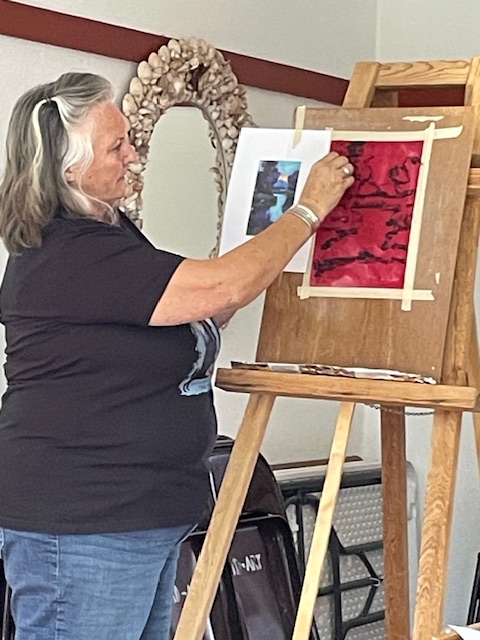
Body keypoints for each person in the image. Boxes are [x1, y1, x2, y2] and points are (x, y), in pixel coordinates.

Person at [0, 72, 354, 640]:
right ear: (69, 168)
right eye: (116, 147)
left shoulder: (111, 236)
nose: (132, 156)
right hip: (86, 522)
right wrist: (307, 210)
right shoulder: (67, 252)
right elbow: (221, 286)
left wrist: (256, 257)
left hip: (135, 517)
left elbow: (203, 306)